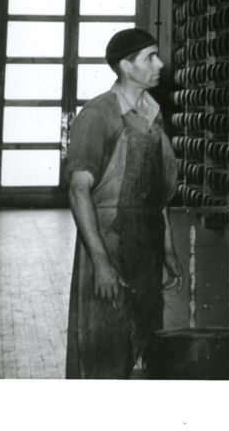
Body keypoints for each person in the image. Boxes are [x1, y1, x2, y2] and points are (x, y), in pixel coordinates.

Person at [65, 27, 184, 379]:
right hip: (109, 248)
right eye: (150, 57)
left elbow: (156, 193)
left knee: (144, 344)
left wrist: (168, 250)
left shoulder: (152, 114)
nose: (160, 63)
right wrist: (101, 264)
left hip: (145, 250)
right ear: (126, 66)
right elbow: (78, 191)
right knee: (104, 350)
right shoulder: (97, 115)